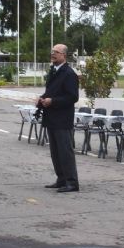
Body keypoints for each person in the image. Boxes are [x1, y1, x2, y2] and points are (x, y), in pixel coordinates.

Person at [38, 44, 80, 193]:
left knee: (65, 151)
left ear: (64, 55)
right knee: (55, 152)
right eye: (52, 51)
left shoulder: (69, 74)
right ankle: (61, 179)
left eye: (56, 52)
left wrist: (53, 102)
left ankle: (72, 182)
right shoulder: (54, 71)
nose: (53, 54)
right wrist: (42, 99)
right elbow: (51, 91)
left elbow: (72, 97)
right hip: (52, 118)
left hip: (63, 119)